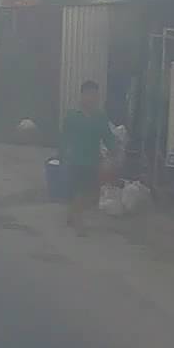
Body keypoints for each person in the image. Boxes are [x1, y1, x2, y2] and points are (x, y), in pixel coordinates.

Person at [61, 80, 117, 234]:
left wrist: (115, 151)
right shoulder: (72, 116)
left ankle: (72, 213)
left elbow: (108, 137)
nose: (92, 98)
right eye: (89, 94)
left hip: (93, 160)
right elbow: (64, 137)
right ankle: (79, 222)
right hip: (75, 160)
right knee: (79, 191)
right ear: (82, 95)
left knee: (92, 194)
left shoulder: (100, 117)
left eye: (95, 95)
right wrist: (62, 155)